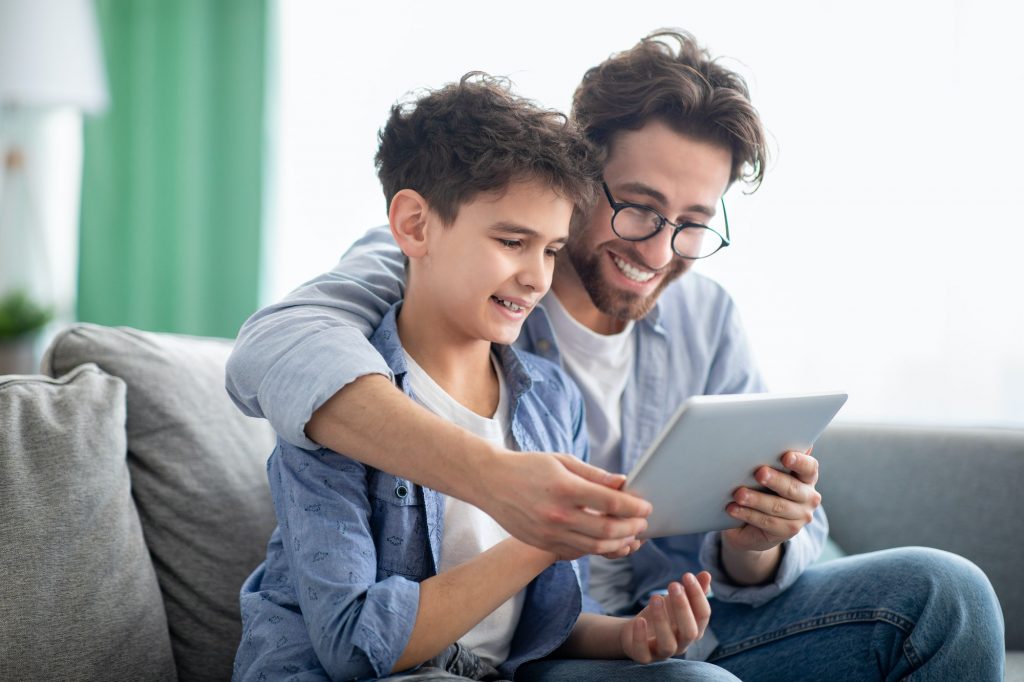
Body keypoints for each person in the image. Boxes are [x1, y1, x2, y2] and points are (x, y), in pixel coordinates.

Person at [228, 31, 1005, 679]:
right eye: (638, 207)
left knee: (948, 594)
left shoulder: (703, 316)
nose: (659, 251)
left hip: (668, 627)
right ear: (576, 173)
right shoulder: (443, 259)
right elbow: (276, 349)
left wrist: (757, 542)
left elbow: (776, 549)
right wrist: (503, 487)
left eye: (693, 223)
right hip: (536, 646)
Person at [234, 74, 741, 681]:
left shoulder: (551, 400)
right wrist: (544, 538)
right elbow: (355, 647)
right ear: (416, 227)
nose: (536, 279)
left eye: (551, 250)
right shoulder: (341, 415)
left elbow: (543, 622)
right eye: (511, 242)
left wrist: (632, 635)